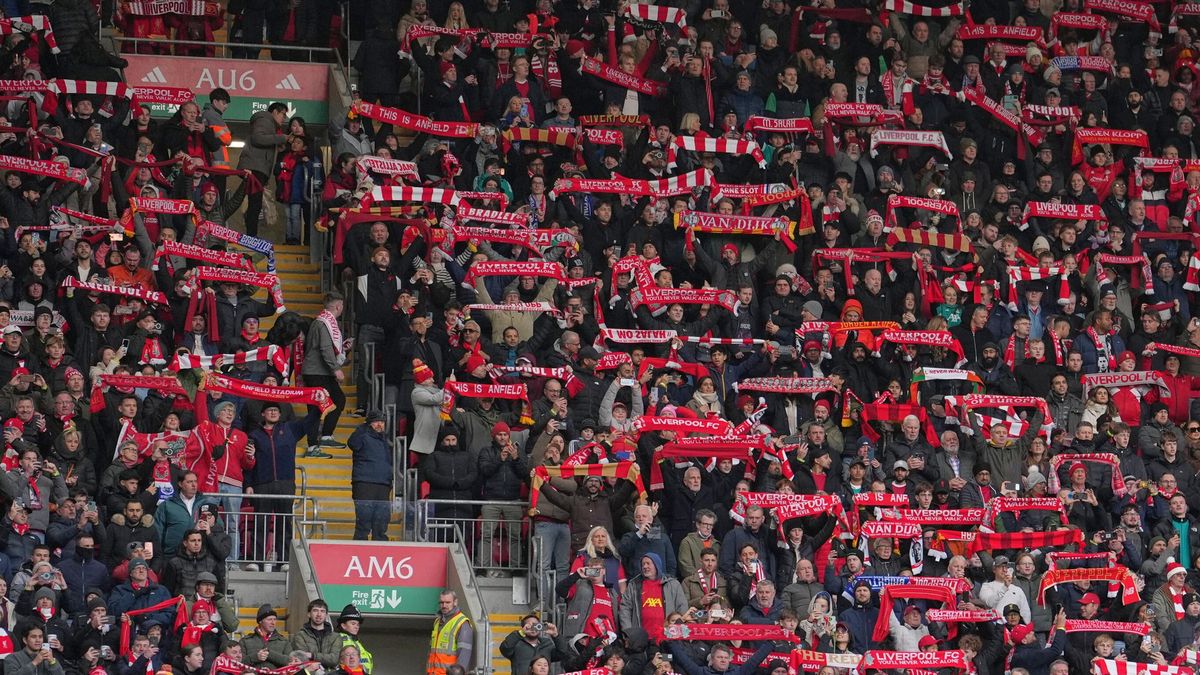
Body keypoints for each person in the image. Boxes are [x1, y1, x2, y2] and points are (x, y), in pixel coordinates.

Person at [303, 293, 349, 456]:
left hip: (321, 371)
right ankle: (312, 446)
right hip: (317, 372)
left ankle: (326, 436)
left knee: (338, 400)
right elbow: (325, 348)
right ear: (338, 306)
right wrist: (336, 368)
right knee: (316, 408)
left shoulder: (323, 321)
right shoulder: (323, 323)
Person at [348, 411, 393, 541]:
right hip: (364, 483)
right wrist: (363, 427)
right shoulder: (362, 435)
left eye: (382, 422)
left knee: (382, 520)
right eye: (376, 421)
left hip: (383, 484)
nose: (380, 424)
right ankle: (359, 550)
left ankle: (380, 551)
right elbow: (352, 444)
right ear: (369, 423)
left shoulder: (384, 440)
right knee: (364, 520)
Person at [428, 590, 473, 675]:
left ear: (455, 602)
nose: (444, 605)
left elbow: (464, 656)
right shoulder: (437, 622)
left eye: (447, 602)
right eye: (441, 602)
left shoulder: (462, 623)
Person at [289, 600, 342, 671]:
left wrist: (312, 655)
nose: (319, 614)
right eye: (315, 610)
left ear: (326, 615)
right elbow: (303, 660)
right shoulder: (300, 636)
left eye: (322, 611)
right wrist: (326, 659)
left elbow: (334, 660)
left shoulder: (336, 637)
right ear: (309, 614)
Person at [336, 605, 374, 674]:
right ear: (343, 625)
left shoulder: (356, 642)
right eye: (353, 624)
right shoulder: (338, 639)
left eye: (358, 624)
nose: (356, 627)